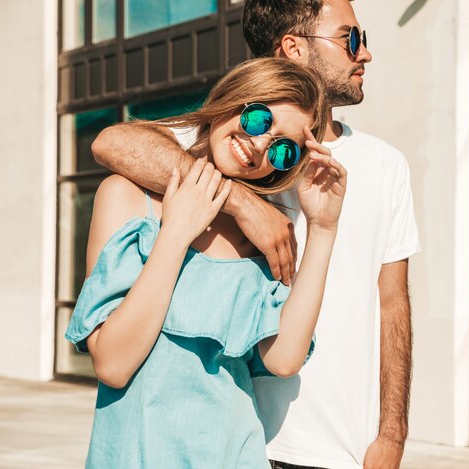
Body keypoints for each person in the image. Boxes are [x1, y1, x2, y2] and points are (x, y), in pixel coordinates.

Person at [92, 1, 420, 468]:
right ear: (293, 47)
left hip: (338, 448)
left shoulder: (382, 165)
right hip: (249, 438)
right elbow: (111, 142)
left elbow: (393, 304)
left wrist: (392, 435)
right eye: (351, 38)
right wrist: (241, 203)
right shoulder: (215, 147)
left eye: (286, 149)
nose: (364, 53)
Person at [65, 58, 347, 468]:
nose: (260, 145)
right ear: (234, 97)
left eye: (284, 149)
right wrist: (178, 231)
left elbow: (283, 359)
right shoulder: (126, 197)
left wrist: (323, 228)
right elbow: (112, 364)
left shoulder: (264, 236)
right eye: (258, 119)